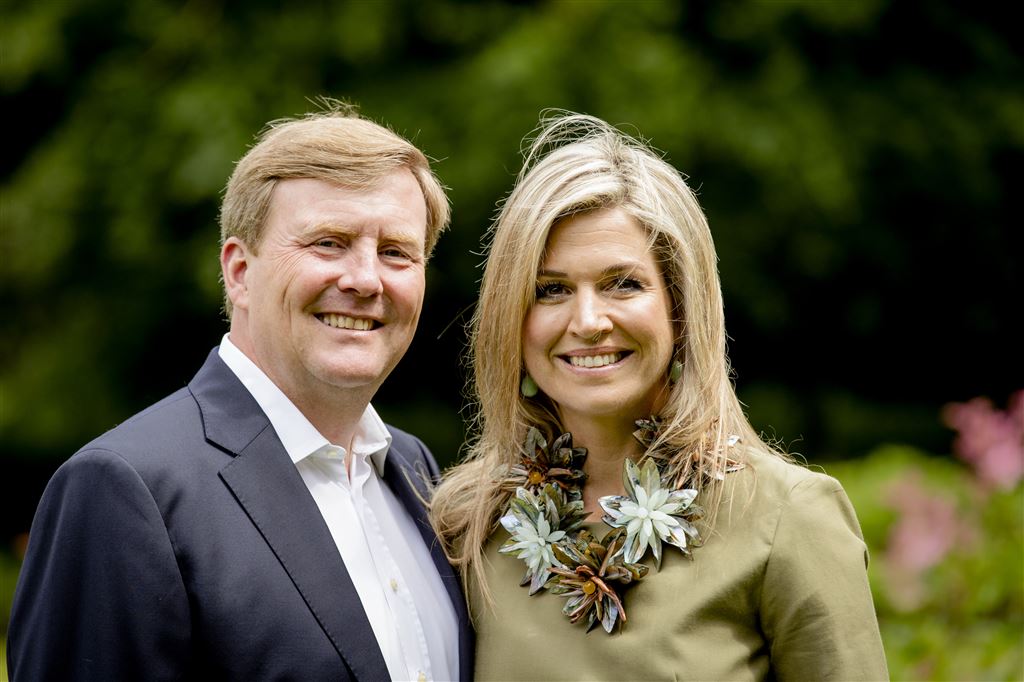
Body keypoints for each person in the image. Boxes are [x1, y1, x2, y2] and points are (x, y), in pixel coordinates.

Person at [8, 104, 473, 681]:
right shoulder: (124, 489)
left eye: (396, 252)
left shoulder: (416, 470)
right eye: (329, 243)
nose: (365, 279)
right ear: (239, 272)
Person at [430, 113, 888, 681]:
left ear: (680, 307)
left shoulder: (787, 517)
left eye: (623, 284)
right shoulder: (468, 524)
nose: (588, 321)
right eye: (550, 290)